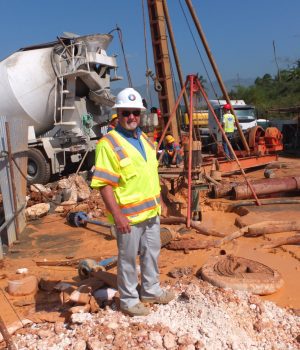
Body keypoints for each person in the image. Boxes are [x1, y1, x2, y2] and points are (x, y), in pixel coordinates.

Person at [91, 87, 175, 317]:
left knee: (151, 253)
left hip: (150, 212)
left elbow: (150, 175)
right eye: (127, 112)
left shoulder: (146, 140)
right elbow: (104, 184)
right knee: (127, 259)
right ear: (118, 113)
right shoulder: (108, 144)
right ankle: (128, 300)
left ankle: (150, 290)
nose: (131, 117)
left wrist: (161, 202)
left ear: (140, 114)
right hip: (127, 216)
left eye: (135, 113)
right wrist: (117, 215)